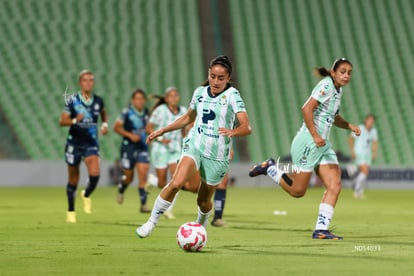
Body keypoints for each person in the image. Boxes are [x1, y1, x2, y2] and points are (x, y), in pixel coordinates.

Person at [136, 55, 252, 238]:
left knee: (203, 200)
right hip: (195, 145)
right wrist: (162, 131)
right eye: (213, 76)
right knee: (175, 183)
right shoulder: (199, 92)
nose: (216, 81)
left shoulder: (232, 95)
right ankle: (151, 222)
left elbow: (247, 127)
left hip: (218, 155)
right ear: (209, 74)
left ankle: (201, 225)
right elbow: (188, 118)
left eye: (221, 78)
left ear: (228, 78)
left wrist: (233, 132)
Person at [249, 58, 361, 240]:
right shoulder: (325, 86)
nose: (346, 75)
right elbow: (306, 109)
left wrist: (349, 125)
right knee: (297, 191)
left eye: (349, 72)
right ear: (333, 73)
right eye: (342, 71)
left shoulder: (337, 91)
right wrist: (316, 136)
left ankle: (321, 230)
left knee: (335, 185)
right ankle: (270, 167)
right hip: (309, 142)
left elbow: (333, 117)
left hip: (323, 145)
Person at [59, 70, 108, 223]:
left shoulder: (98, 100)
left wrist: (105, 124)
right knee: (73, 179)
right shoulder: (72, 100)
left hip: (91, 143)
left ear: (93, 83)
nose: (88, 82)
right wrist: (74, 120)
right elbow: (62, 121)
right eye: (85, 80)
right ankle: (71, 211)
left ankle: (86, 194)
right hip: (74, 143)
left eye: (90, 80)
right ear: (80, 83)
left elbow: (103, 113)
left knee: (95, 175)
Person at [146, 87, 188, 219]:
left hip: (176, 149)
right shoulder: (160, 110)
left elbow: (185, 128)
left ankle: (168, 209)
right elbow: (149, 127)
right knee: (162, 183)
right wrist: (160, 138)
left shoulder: (184, 111)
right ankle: (153, 181)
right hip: (160, 149)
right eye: (171, 95)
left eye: (176, 95)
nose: (174, 98)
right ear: (166, 98)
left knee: (177, 180)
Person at [114, 89, 152, 213]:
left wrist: (150, 131)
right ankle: (121, 188)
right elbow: (116, 127)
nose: (140, 101)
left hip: (142, 147)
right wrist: (130, 135)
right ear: (132, 100)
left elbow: (149, 127)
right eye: (137, 99)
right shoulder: (126, 112)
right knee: (129, 177)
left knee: (143, 174)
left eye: (142, 99)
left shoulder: (147, 112)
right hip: (128, 147)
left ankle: (144, 205)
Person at [348, 113, 378, 199]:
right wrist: (353, 151)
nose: (371, 122)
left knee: (365, 172)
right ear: (366, 120)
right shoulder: (359, 128)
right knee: (364, 171)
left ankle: (359, 190)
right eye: (369, 120)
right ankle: (357, 190)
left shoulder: (374, 131)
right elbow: (350, 139)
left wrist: (374, 153)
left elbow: (375, 142)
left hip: (368, 154)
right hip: (359, 153)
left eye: (372, 121)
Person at [211, 148, 234, 227]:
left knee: (223, 182)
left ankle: (217, 217)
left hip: (220, 149)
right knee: (193, 186)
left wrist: (229, 146)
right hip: (206, 147)